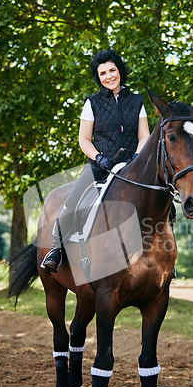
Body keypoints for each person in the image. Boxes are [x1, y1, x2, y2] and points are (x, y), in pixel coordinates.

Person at [40, 49, 150, 273]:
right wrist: (99, 158)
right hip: (100, 165)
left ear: (120, 71)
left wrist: (137, 158)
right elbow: (84, 139)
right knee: (72, 202)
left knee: (162, 199)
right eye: (103, 73)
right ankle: (56, 249)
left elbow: (144, 136)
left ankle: (165, 257)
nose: (108, 76)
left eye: (112, 70)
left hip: (131, 166)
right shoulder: (92, 103)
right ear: (98, 77)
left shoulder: (137, 101)